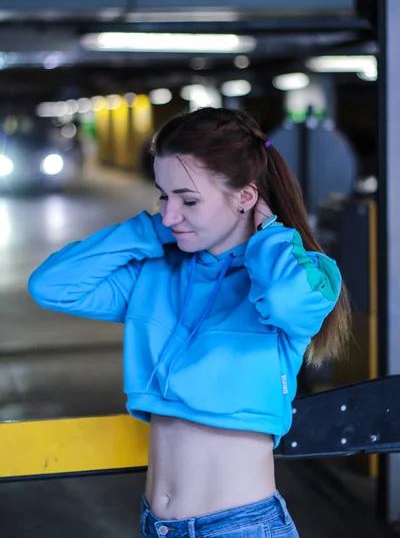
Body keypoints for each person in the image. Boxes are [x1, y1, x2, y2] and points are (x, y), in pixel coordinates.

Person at [28, 107, 351, 538]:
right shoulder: (157, 275)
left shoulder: (295, 275)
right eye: (164, 196)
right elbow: (52, 285)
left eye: (189, 199)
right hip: (157, 525)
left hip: (240, 527)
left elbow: (286, 300)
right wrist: (147, 232)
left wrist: (269, 234)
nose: (169, 214)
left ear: (246, 196)